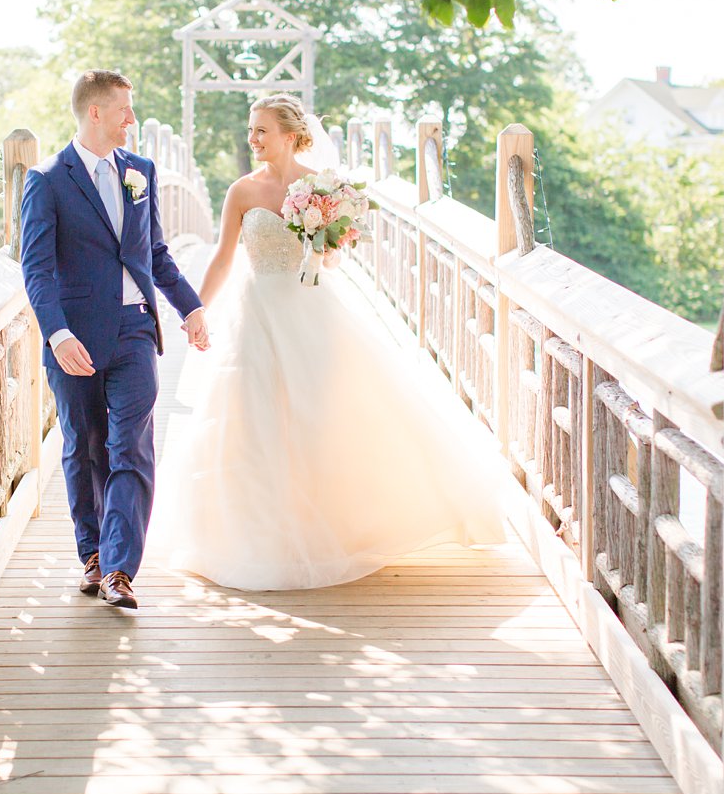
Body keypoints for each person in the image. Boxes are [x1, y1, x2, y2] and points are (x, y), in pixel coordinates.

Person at [152, 93, 507, 591]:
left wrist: (328, 240)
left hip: (309, 308)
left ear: (292, 137)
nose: (252, 139)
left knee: (317, 417)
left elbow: (336, 257)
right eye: (250, 130)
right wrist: (194, 311)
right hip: (255, 313)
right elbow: (222, 260)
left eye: (261, 131)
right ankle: (261, 539)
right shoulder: (241, 191)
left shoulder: (320, 189)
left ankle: (325, 530)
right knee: (253, 420)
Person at [19, 70, 209, 609]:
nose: (132, 119)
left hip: (134, 332)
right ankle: (94, 556)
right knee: (84, 447)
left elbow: (155, 255)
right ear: (95, 113)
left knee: (131, 446)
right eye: (124, 109)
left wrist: (190, 306)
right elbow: (36, 270)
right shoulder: (48, 179)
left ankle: (121, 569)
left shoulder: (141, 172)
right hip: (74, 337)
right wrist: (56, 334)